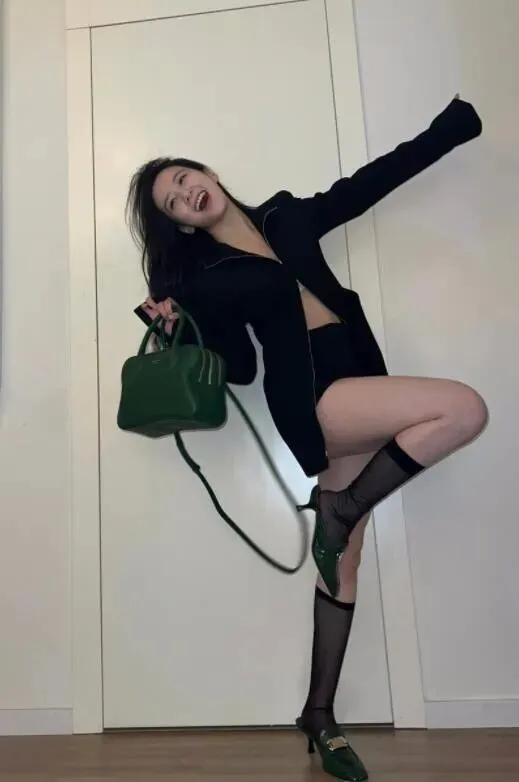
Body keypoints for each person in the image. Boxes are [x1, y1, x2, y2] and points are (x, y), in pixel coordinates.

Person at [126, 95, 487, 782]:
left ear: (207, 172)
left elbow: (366, 185)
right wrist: (174, 330)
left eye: (183, 178)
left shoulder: (285, 216)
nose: (185, 194)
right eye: (172, 203)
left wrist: (449, 130)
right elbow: (238, 368)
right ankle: (340, 510)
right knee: (461, 409)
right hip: (311, 395)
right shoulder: (202, 278)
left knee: (341, 565)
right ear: (179, 223)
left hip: (358, 374)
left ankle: (318, 714)